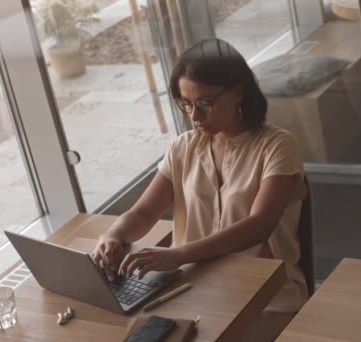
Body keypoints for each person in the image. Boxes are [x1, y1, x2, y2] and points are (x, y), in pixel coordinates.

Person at [92, 38, 308, 341]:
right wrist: (113, 234)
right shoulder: (183, 148)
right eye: (186, 104)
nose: (194, 116)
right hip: (189, 291)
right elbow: (143, 211)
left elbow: (259, 225)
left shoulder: (277, 145)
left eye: (206, 103)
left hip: (266, 300)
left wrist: (178, 254)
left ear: (238, 91)